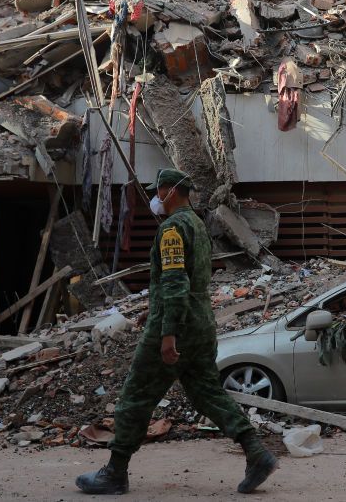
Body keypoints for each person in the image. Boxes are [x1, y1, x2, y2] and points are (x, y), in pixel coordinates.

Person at [76, 168, 278, 495]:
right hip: (200, 321)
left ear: (170, 191)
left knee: (136, 395)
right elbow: (185, 281)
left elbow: (174, 281)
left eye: (158, 191)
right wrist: (152, 309)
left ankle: (115, 472)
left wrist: (167, 332)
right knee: (207, 392)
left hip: (177, 325)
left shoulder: (171, 229)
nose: (156, 197)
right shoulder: (198, 226)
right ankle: (256, 452)